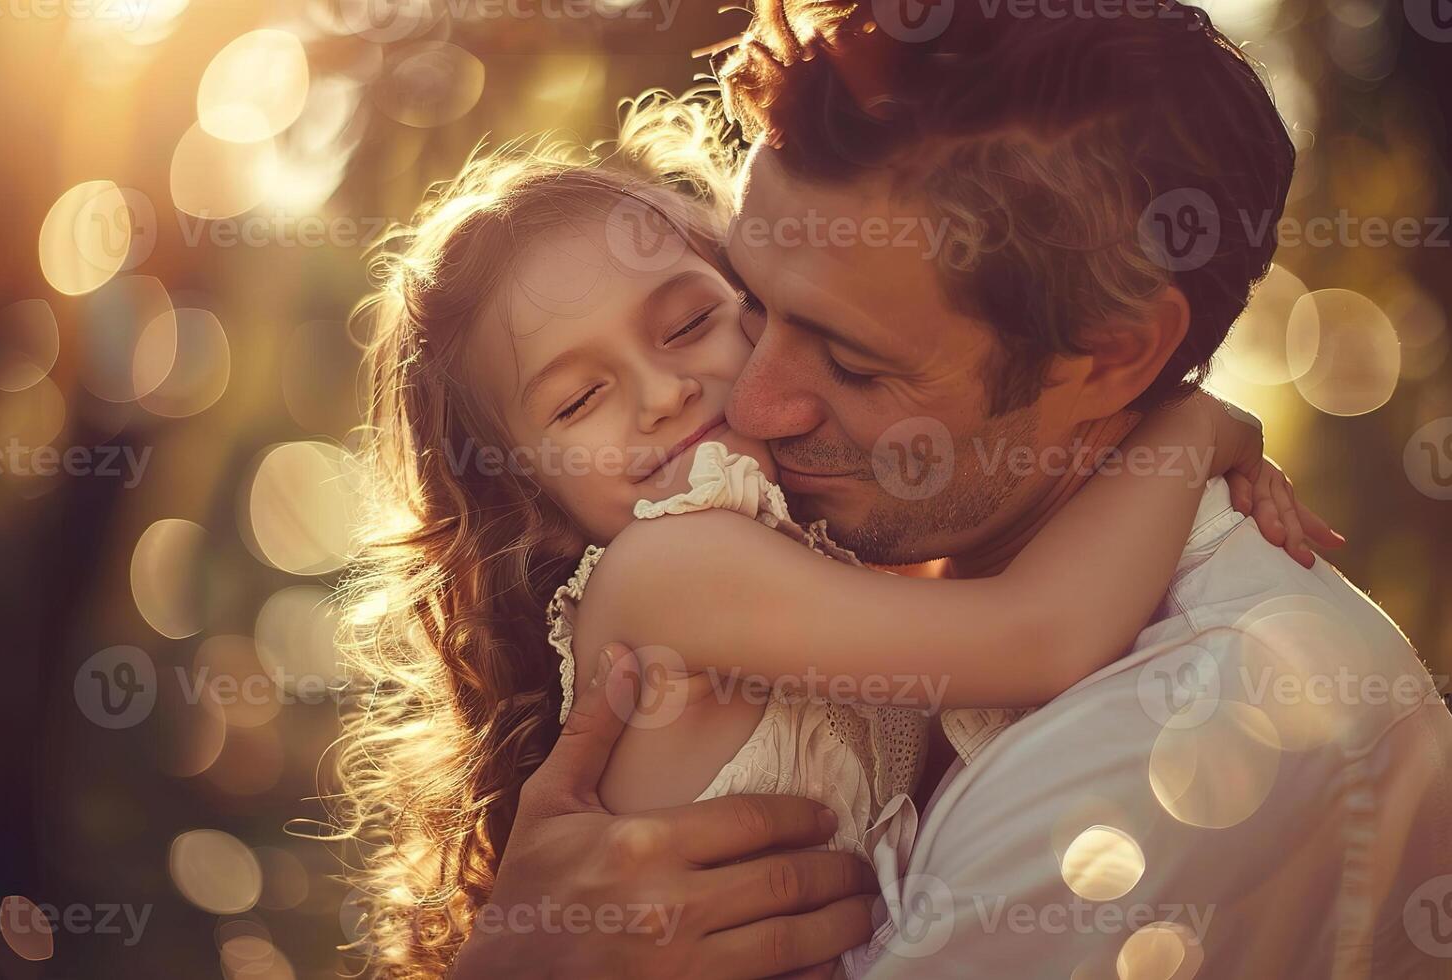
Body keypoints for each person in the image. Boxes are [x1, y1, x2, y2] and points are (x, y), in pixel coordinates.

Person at [451, 2, 1452, 977]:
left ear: (1115, 358)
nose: (746, 405)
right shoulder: (736, 565)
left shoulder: (1189, 730)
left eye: (850, 360)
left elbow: (1041, 633)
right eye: (758, 301)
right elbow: (1037, 627)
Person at [337, 138, 1320, 977]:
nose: (663, 391)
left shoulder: (827, 556)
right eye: (575, 401)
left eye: (687, 323)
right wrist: (1182, 428)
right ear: (535, 506)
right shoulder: (668, 574)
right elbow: (1041, 631)